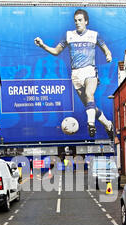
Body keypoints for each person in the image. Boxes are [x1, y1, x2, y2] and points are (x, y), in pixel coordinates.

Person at [34, 9, 113, 139]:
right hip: (76, 74)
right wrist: (42, 45)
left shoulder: (94, 35)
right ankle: (108, 124)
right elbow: (56, 51)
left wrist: (108, 55)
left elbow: (106, 50)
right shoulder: (69, 35)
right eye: (75, 20)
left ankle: (91, 124)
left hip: (89, 71)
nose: (77, 23)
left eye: (80, 20)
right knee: (90, 105)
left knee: (89, 94)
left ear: (86, 21)